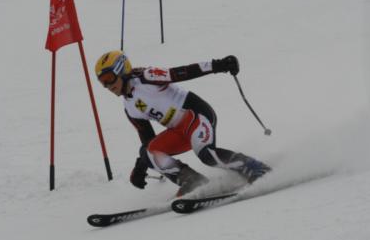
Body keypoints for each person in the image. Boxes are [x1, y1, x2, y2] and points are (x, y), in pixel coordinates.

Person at [94, 50, 271, 197]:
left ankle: (256, 168)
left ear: (122, 70)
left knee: (206, 155)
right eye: (102, 82)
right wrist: (141, 167)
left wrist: (218, 65)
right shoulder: (129, 108)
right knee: (149, 151)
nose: (108, 86)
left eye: (109, 78)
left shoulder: (145, 76)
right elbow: (148, 141)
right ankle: (192, 181)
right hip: (178, 131)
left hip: (195, 114)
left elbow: (181, 73)